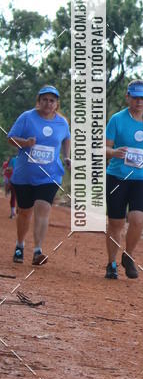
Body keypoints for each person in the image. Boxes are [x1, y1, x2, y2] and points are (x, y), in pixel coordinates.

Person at [105, 79, 143, 280]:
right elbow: (104, 148)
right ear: (127, 97)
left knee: (138, 219)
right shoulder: (117, 119)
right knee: (116, 223)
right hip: (117, 177)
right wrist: (113, 152)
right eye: (136, 97)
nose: (139, 101)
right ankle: (111, 263)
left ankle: (128, 255)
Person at [7, 86, 71, 265]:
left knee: (43, 209)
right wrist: (25, 142)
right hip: (25, 174)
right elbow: (10, 137)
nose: (48, 103)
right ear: (39, 101)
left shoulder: (62, 123)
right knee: (25, 212)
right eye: (44, 99)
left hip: (49, 175)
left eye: (52, 100)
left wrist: (66, 157)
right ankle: (20, 245)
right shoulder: (27, 117)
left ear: (57, 104)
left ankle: (37, 251)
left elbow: (67, 138)